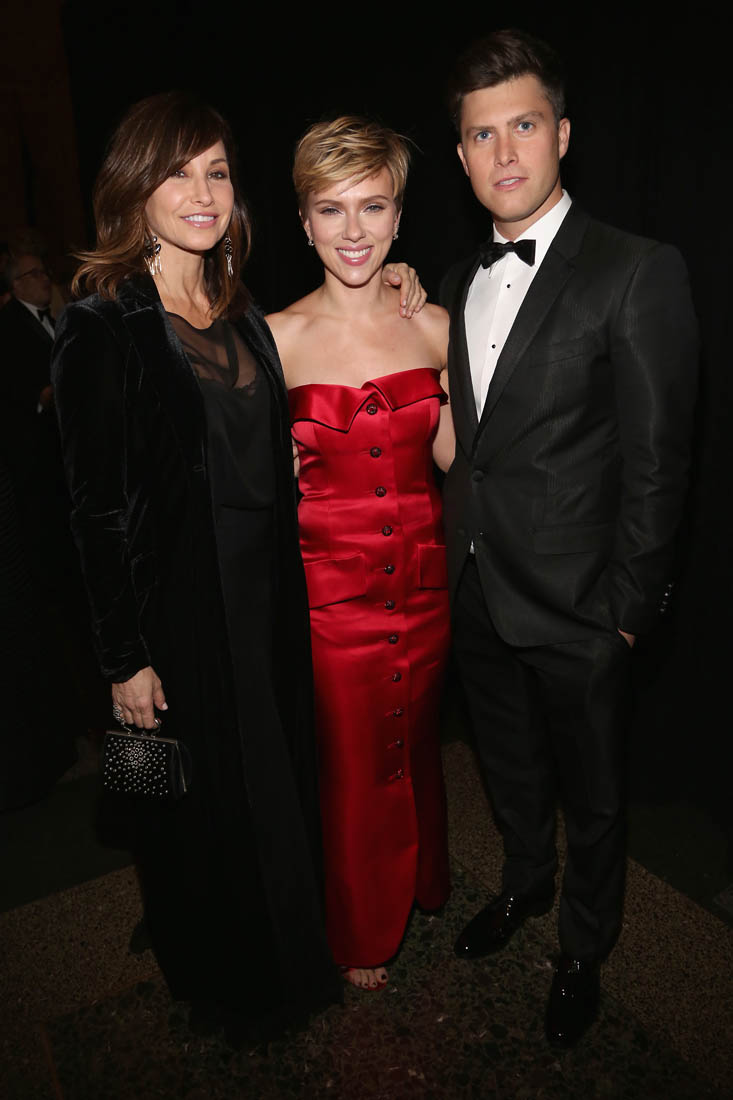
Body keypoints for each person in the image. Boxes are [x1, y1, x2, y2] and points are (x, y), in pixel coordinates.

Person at [52, 92, 424, 1038]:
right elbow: (94, 513)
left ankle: (288, 949)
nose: (202, 192)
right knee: (189, 808)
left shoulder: (239, 309)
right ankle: (221, 979)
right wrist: (123, 659)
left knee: (270, 786)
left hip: (268, 598)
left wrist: (400, 277)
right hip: (178, 614)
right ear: (135, 188)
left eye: (216, 171)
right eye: (177, 172)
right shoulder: (102, 324)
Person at [440, 30, 698, 1046]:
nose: (504, 152)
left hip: (584, 605)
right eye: (482, 134)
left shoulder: (637, 269)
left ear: (562, 134)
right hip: (475, 585)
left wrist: (628, 613)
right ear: (460, 156)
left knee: (592, 797)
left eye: (524, 125)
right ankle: (522, 881)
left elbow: (658, 460)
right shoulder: (454, 280)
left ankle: (583, 946)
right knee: (507, 768)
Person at [267, 117, 453, 991]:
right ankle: (358, 922)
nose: (353, 231)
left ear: (399, 216)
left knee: (415, 748)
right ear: (303, 221)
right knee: (349, 770)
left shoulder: (436, 326)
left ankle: (420, 879)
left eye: (372, 207)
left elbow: (460, 461)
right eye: (330, 209)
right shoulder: (273, 339)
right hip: (328, 606)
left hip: (424, 593)